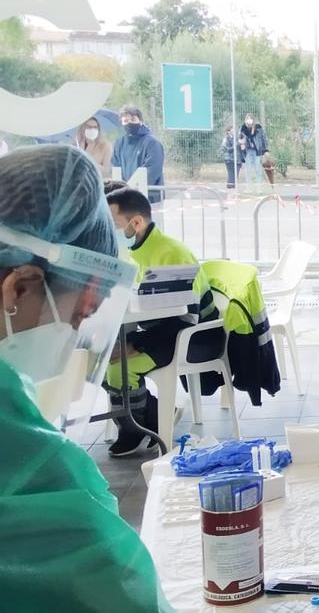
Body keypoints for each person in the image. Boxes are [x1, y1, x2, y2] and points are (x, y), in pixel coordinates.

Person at [0, 145, 171, 610]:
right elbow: (118, 588)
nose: (74, 336)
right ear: (20, 286)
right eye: (77, 316)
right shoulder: (27, 459)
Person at [105, 186, 222, 456]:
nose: (111, 230)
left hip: (193, 336)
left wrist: (137, 345)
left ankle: (134, 430)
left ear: (136, 222)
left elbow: (185, 317)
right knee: (100, 360)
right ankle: (155, 417)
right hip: (161, 330)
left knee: (118, 368)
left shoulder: (171, 254)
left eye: (114, 224)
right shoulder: (135, 249)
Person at [112, 106, 165, 203]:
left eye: (133, 119)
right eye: (126, 120)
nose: (129, 123)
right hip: (125, 197)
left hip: (149, 196)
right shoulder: (119, 143)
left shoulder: (152, 143)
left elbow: (152, 170)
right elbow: (115, 165)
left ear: (140, 120)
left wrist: (133, 189)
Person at [238, 113, 269, 186]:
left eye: (250, 118)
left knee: (258, 169)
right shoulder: (243, 128)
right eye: (247, 118)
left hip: (257, 151)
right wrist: (241, 143)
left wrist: (265, 150)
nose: (249, 120)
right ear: (245, 120)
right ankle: (249, 186)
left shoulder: (258, 127)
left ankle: (259, 186)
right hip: (247, 151)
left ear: (253, 119)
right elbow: (239, 138)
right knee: (248, 169)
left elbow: (263, 138)